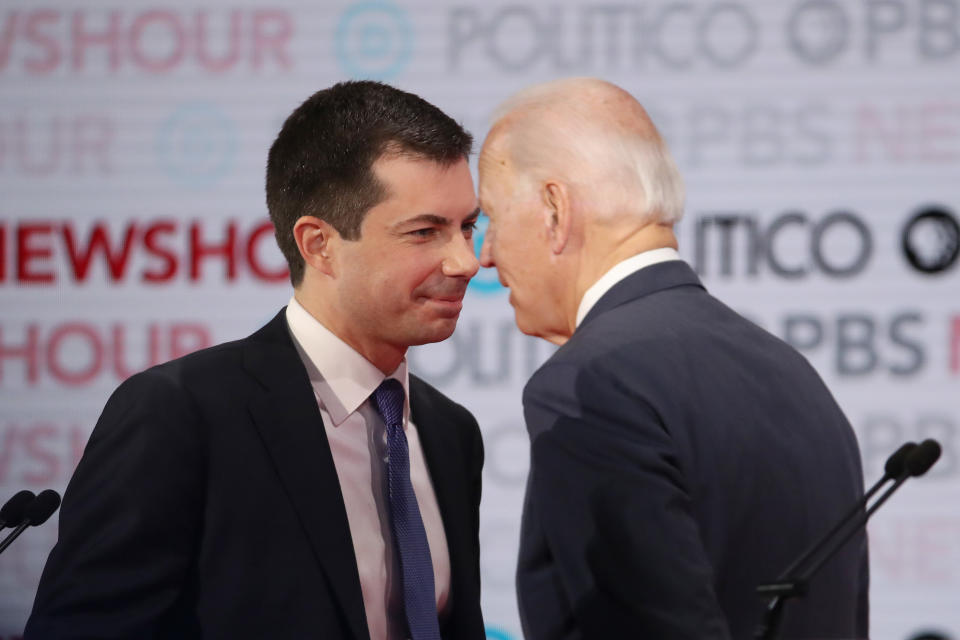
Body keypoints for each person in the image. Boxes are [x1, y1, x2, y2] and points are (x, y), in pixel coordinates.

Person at [25, 81, 486, 640]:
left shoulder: (450, 432)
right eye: (425, 232)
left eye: (468, 226)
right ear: (319, 245)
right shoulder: (180, 415)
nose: (466, 260)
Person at [477, 77, 868, 639]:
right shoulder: (795, 374)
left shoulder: (590, 382)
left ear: (555, 210)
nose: (484, 255)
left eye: (491, 216)